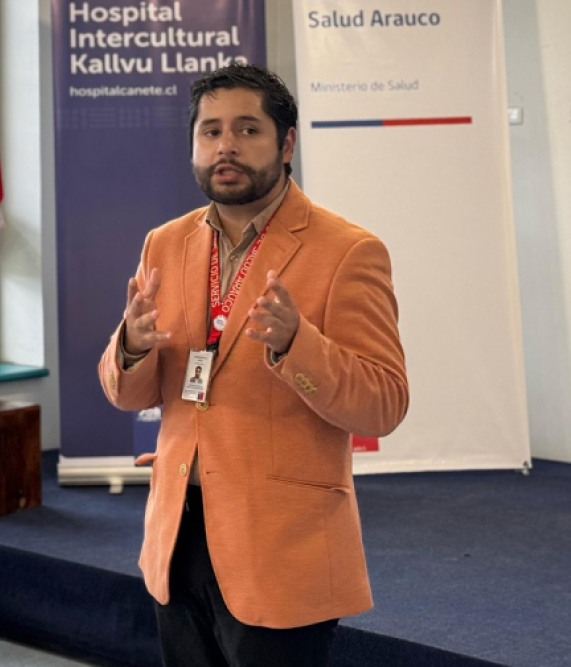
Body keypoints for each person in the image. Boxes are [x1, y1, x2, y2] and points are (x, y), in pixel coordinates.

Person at [98, 64, 409, 666]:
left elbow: (385, 403)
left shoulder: (348, 251)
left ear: (286, 143)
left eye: (247, 130)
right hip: (177, 534)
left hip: (280, 546)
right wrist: (131, 346)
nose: (226, 146)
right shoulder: (164, 243)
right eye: (210, 131)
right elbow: (128, 395)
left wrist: (297, 345)